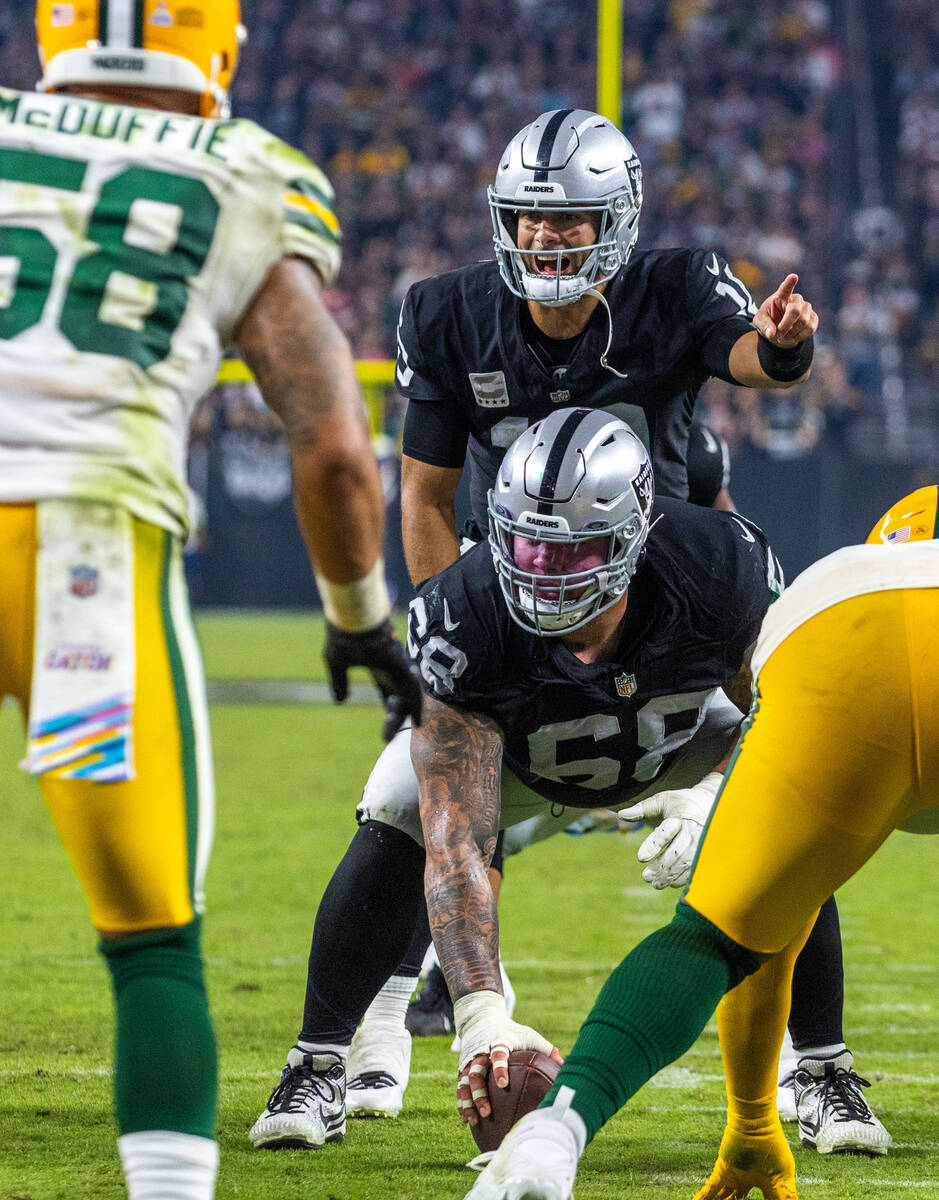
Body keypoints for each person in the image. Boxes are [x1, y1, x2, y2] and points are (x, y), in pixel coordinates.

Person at [0, 5, 419, 1199]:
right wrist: (358, 621)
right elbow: (337, 444)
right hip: (87, 561)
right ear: (217, 47)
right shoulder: (240, 173)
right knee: (151, 947)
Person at [249, 407, 779, 1150]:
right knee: (400, 802)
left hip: (679, 743)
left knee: (792, 820)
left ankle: (817, 1066)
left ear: (632, 534)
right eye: (528, 546)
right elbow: (457, 843)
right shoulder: (461, 611)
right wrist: (480, 1013)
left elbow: (789, 717)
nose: (543, 571)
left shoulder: (717, 564)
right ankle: (317, 1061)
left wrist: (715, 795)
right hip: (529, 757)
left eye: (571, 552)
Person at [467, 484, 938, 1200]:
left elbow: (772, 925)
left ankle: (554, 1131)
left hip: (842, 611)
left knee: (709, 938)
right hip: (840, 614)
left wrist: (752, 1121)